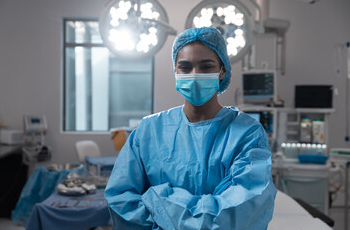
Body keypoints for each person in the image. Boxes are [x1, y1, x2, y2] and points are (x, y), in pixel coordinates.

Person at [105, 27, 277, 230]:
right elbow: (121, 202)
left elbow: (237, 215)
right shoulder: (149, 131)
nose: (195, 75)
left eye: (206, 67)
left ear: (222, 71)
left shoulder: (246, 134)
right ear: (175, 72)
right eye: (185, 67)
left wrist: (158, 198)